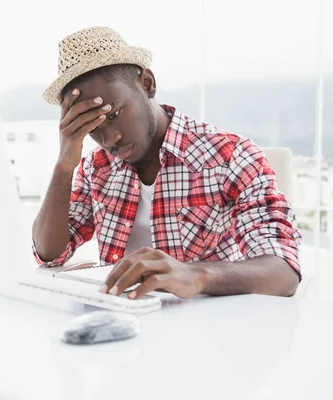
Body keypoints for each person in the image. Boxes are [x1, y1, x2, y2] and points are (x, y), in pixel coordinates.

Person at [32, 26, 301, 300]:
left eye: (113, 114)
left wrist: (195, 275)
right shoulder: (96, 168)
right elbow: (49, 255)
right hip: (121, 325)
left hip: (206, 330)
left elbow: (283, 272)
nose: (109, 139)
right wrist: (64, 166)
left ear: (147, 83)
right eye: (91, 127)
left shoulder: (231, 156)